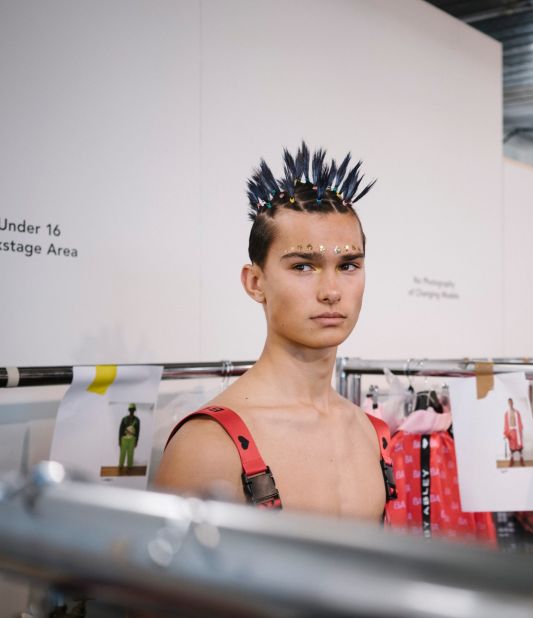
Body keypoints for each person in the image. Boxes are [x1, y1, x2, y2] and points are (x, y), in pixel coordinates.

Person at [155, 143, 394, 521]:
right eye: (303, 266)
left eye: (348, 265)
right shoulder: (208, 446)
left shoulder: (371, 435)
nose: (331, 291)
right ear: (255, 282)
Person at [503, 398, 525, 466]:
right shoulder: (506, 414)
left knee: (519, 446)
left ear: (513, 403)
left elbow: (520, 422)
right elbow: (506, 424)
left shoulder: (517, 412)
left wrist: (520, 430)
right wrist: (506, 433)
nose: (510, 403)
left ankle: (521, 458)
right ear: (508, 403)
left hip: (517, 431)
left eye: (511, 402)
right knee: (512, 447)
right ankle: (512, 459)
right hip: (511, 431)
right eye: (509, 402)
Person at [118, 403, 140, 469]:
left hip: (132, 439)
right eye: (130, 409)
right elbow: (120, 430)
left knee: (130, 454)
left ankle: (129, 467)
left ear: (134, 410)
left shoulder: (137, 420)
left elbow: (138, 431)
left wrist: (136, 441)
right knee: (122, 453)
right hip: (124, 439)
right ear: (129, 410)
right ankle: (120, 466)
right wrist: (119, 440)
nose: (131, 411)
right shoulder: (124, 419)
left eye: (133, 409)